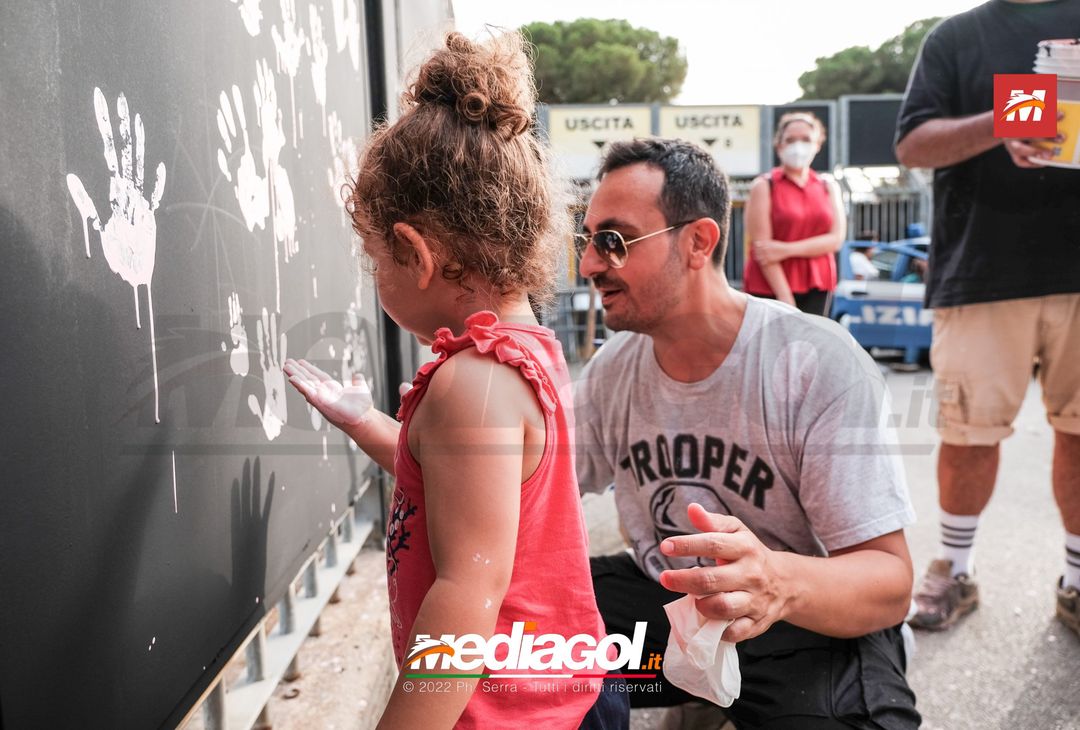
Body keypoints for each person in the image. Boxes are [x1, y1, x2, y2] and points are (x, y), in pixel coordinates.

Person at [284, 32, 628, 728]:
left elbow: (468, 590)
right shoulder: (522, 350)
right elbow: (467, 490)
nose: (374, 276)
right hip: (565, 698)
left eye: (373, 258)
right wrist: (367, 422)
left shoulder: (472, 385)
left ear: (414, 253)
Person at [575, 137, 921, 729]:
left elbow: (889, 583)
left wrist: (774, 580)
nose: (587, 265)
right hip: (671, 615)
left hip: (804, 621)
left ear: (698, 242)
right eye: (585, 242)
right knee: (510, 649)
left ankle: (720, 691)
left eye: (614, 241)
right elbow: (531, 479)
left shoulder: (814, 360)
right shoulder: (614, 369)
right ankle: (698, 685)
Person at [895, 0, 1080, 635]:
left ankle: (1077, 581)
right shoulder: (958, 36)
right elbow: (914, 143)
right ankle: (955, 567)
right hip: (980, 272)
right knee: (967, 435)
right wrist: (1009, 120)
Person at [743, 112, 846, 316]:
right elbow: (764, 250)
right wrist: (785, 298)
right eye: (790, 140)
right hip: (770, 286)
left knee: (811, 346)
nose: (798, 146)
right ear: (779, 145)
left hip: (818, 283)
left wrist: (785, 249)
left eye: (806, 139)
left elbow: (835, 240)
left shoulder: (828, 186)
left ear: (817, 144)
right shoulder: (764, 186)